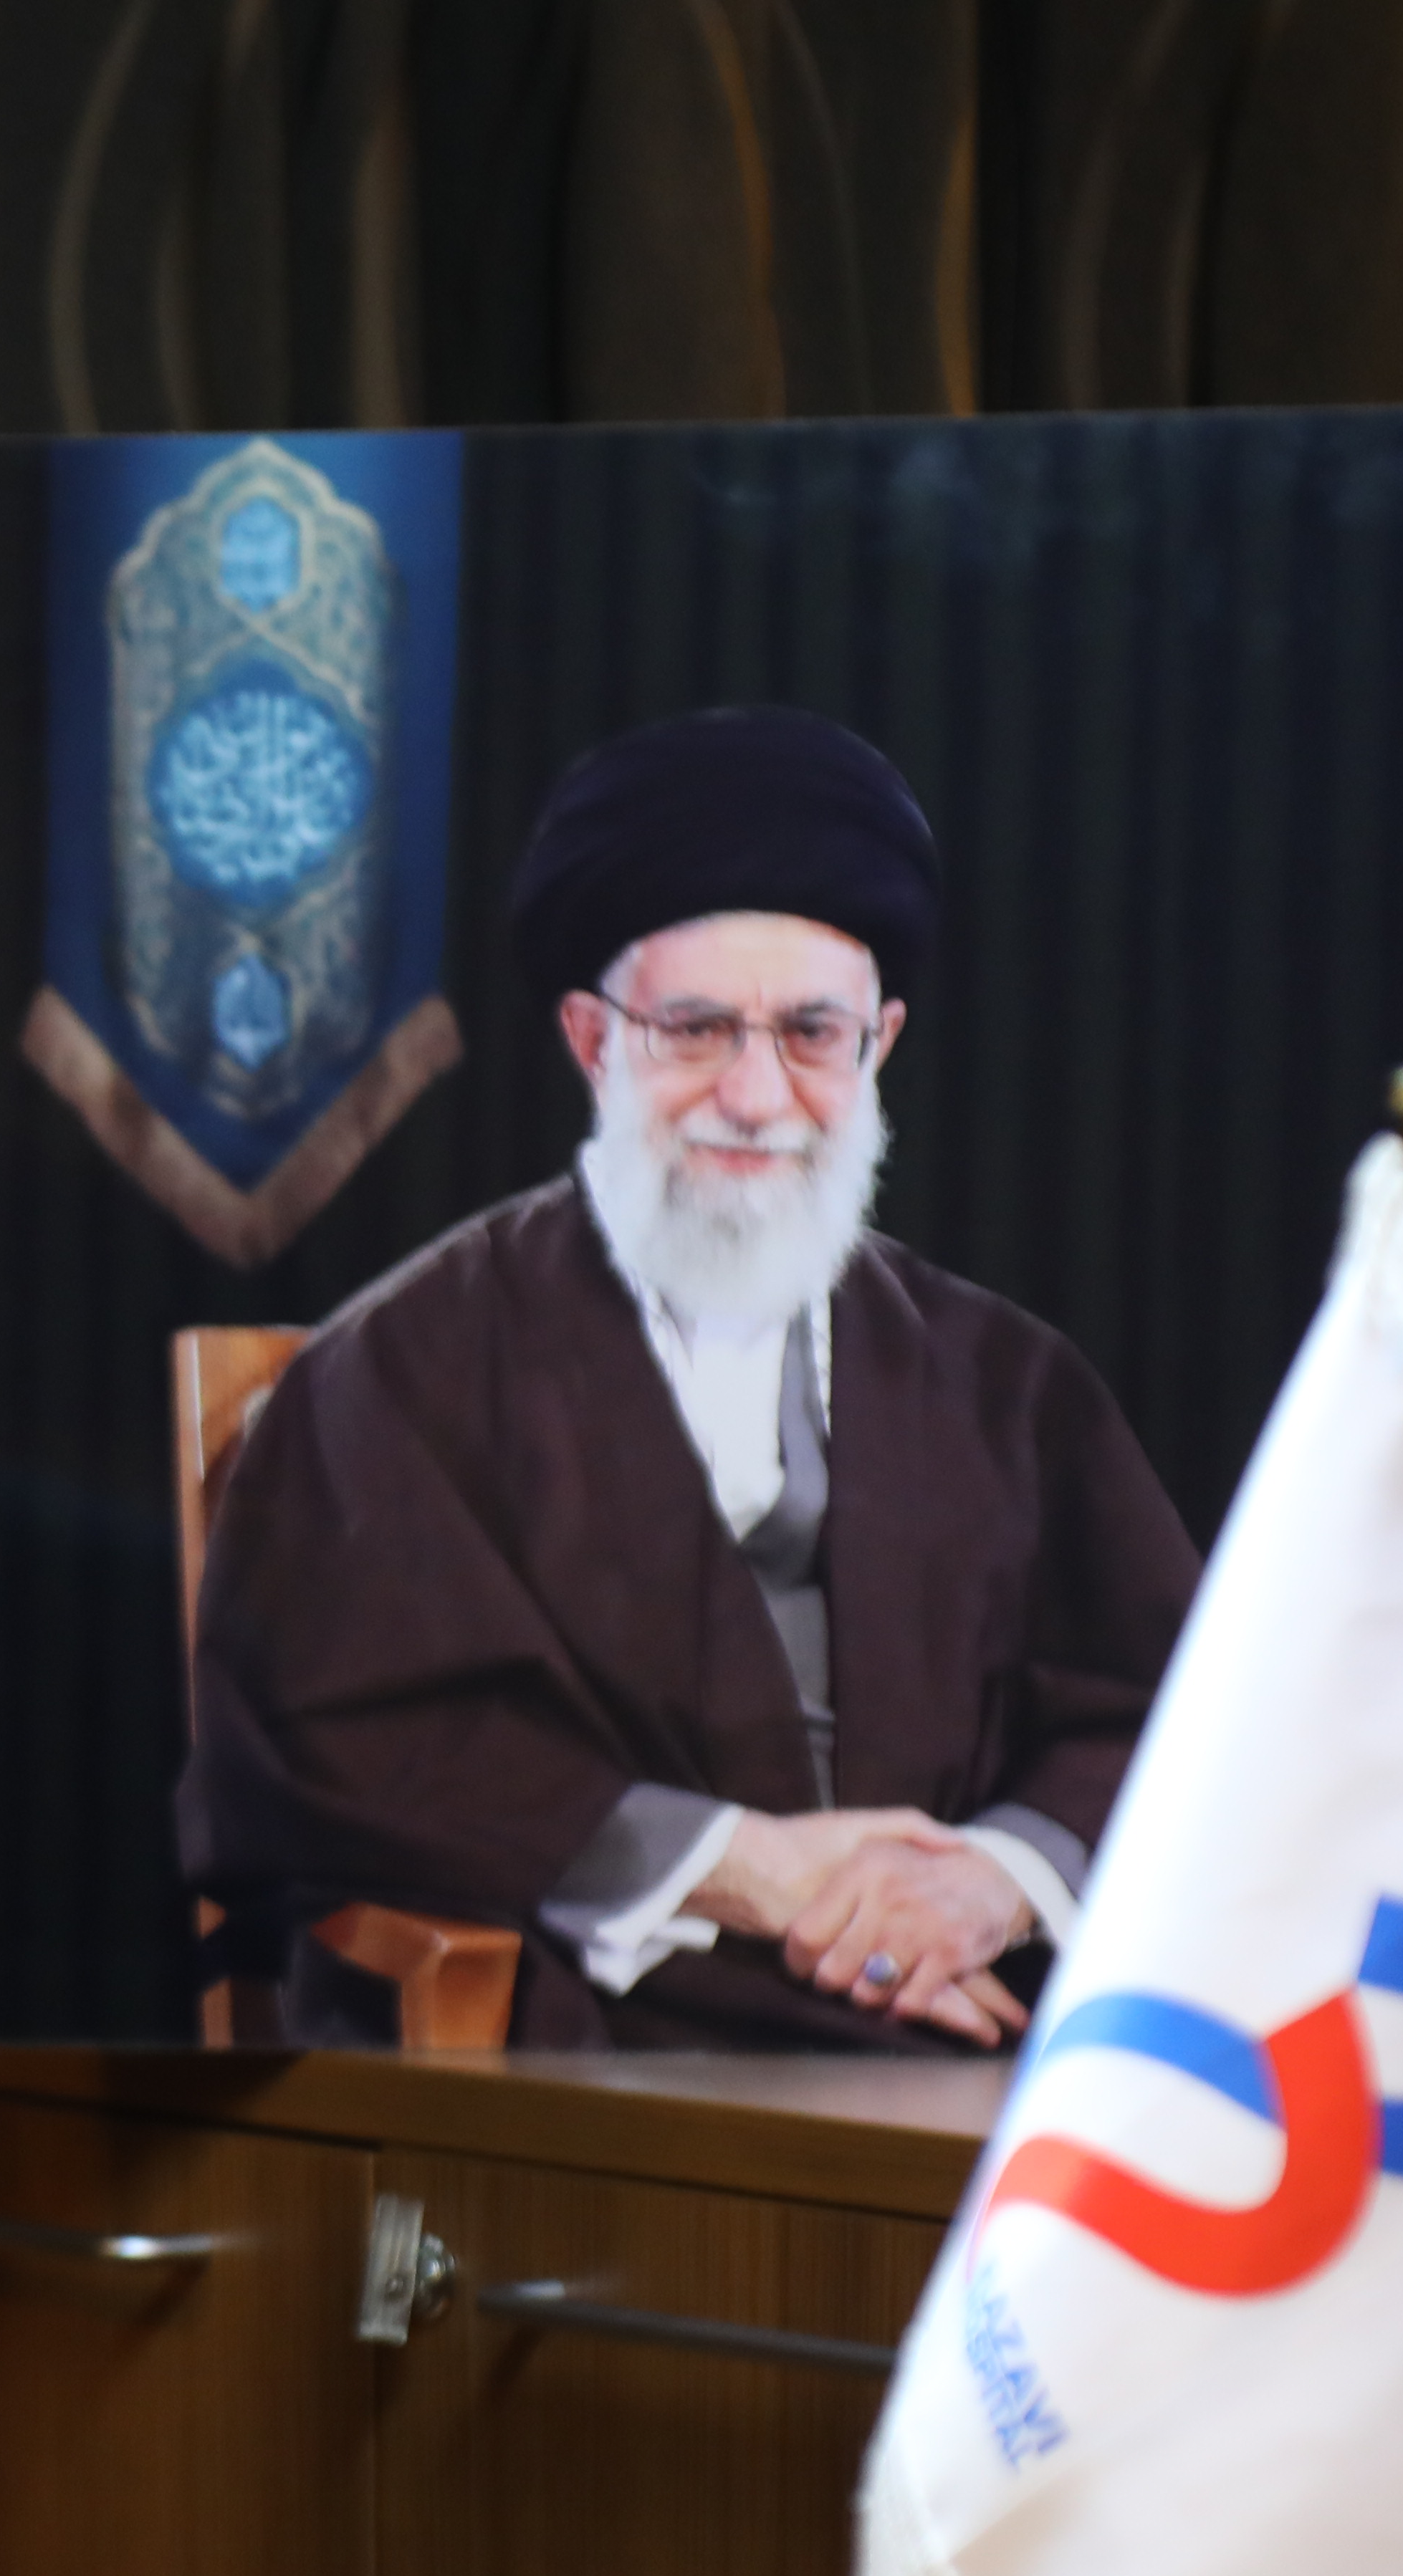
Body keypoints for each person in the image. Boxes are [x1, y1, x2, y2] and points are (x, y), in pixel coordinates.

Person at [180, 707, 1200, 2054]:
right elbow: (342, 1741)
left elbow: (1170, 1701)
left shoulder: (1008, 1385)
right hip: (600, 2023)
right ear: (593, 1041)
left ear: (880, 1044)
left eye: (812, 1034)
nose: (757, 1095)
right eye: (698, 1029)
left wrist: (990, 1882)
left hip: (978, 2015)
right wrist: (740, 1868)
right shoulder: (404, 1370)